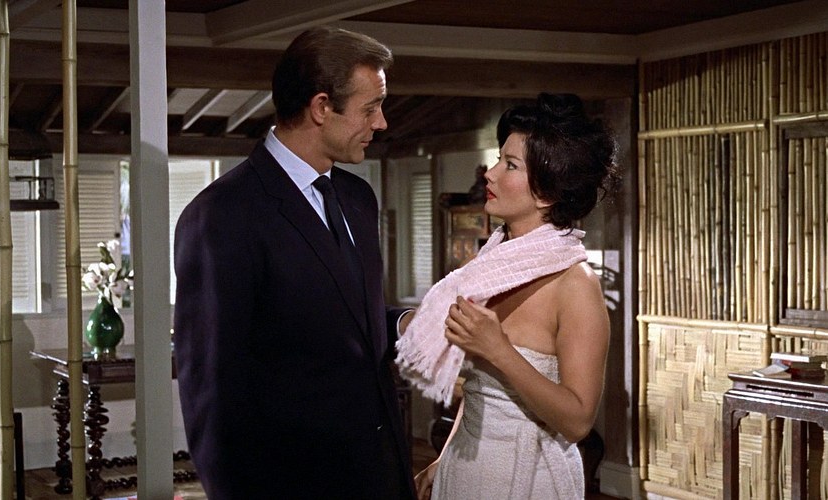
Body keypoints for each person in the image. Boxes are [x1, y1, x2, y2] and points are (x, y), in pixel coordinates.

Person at [173, 26, 415, 499]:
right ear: (321, 107)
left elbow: (340, 320)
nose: (382, 123)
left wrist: (404, 323)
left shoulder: (358, 198)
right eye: (370, 108)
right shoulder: (223, 215)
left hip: (378, 476)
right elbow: (212, 394)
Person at [398, 93, 619, 499]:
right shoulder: (489, 268)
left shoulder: (575, 285)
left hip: (531, 478)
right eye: (499, 159)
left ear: (546, 192)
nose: (490, 173)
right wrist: (444, 459)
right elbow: (481, 391)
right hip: (467, 469)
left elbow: (577, 421)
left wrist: (499, 350)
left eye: (510, 165)